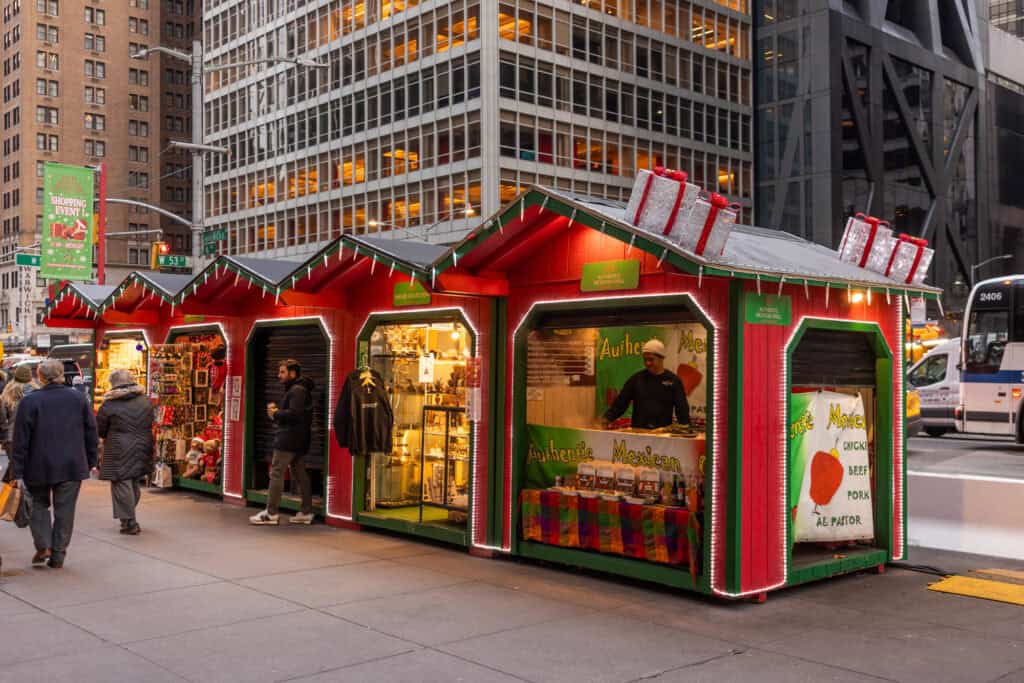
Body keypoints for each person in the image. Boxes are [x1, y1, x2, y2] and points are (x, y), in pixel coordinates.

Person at [9, 359, 98, 568]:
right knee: (65, 510)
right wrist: (91, 460)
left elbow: (20, 440)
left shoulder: (30, 402)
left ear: (40, 376)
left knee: (37, 505)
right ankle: (58, 553)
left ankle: (43, 544)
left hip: (37, 464)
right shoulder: (78, 398)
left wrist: (18, 471)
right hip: (71, 464)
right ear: (61, 375)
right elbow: (90, 432)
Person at [249, 359, 314, 525]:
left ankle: (270, 513)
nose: (279, 376)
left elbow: (294, 414)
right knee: (300, 473)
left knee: (276, 473)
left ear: (292, 373)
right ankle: (306, 511)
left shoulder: (297, 390)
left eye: (282, 372)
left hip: (288, 439)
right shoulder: (300, 389)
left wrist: (276, 413)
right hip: (298, 439)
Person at [96, 369, 154, 535]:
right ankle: (128, 516)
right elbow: (151, 420)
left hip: (119, 448)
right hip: (143, 445)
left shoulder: (109, 404)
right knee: (134, 481)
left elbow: (101, 428)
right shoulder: (145, 400)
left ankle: (129, 522)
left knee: (121, 483)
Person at [603, 339, 690, 430]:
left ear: (661, 358)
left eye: (651, 359)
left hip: (663, 436)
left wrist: (685, 428)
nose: (648, 363)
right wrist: (606, 419)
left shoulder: (673, 381)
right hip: (638, 433)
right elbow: (620, 404)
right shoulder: (636, 379)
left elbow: (682, 409)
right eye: (645, 360)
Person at [0, 365, 36, 454]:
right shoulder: (37, 391)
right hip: (34, 436)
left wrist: (4, 436)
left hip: (13, 436)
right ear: (30, 376)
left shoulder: (7, 392)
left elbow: (2, 418)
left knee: (15, 465)